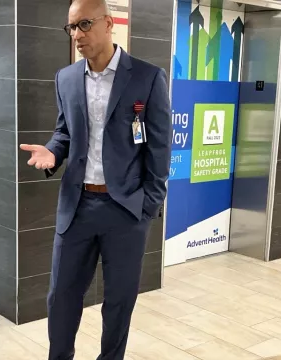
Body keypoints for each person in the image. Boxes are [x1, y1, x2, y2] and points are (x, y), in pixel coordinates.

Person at [20, 0, 172, 359]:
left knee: (119, 302)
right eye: (71, 27)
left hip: (126, 210)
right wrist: (53, 153)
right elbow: (64, 133)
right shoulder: (67, 78)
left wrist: (148, 205)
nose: (77, 35)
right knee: (61, 299)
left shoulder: (147, 77)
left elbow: (160, 147)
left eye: (84, 25)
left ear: (108, 23)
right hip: (77, 208)